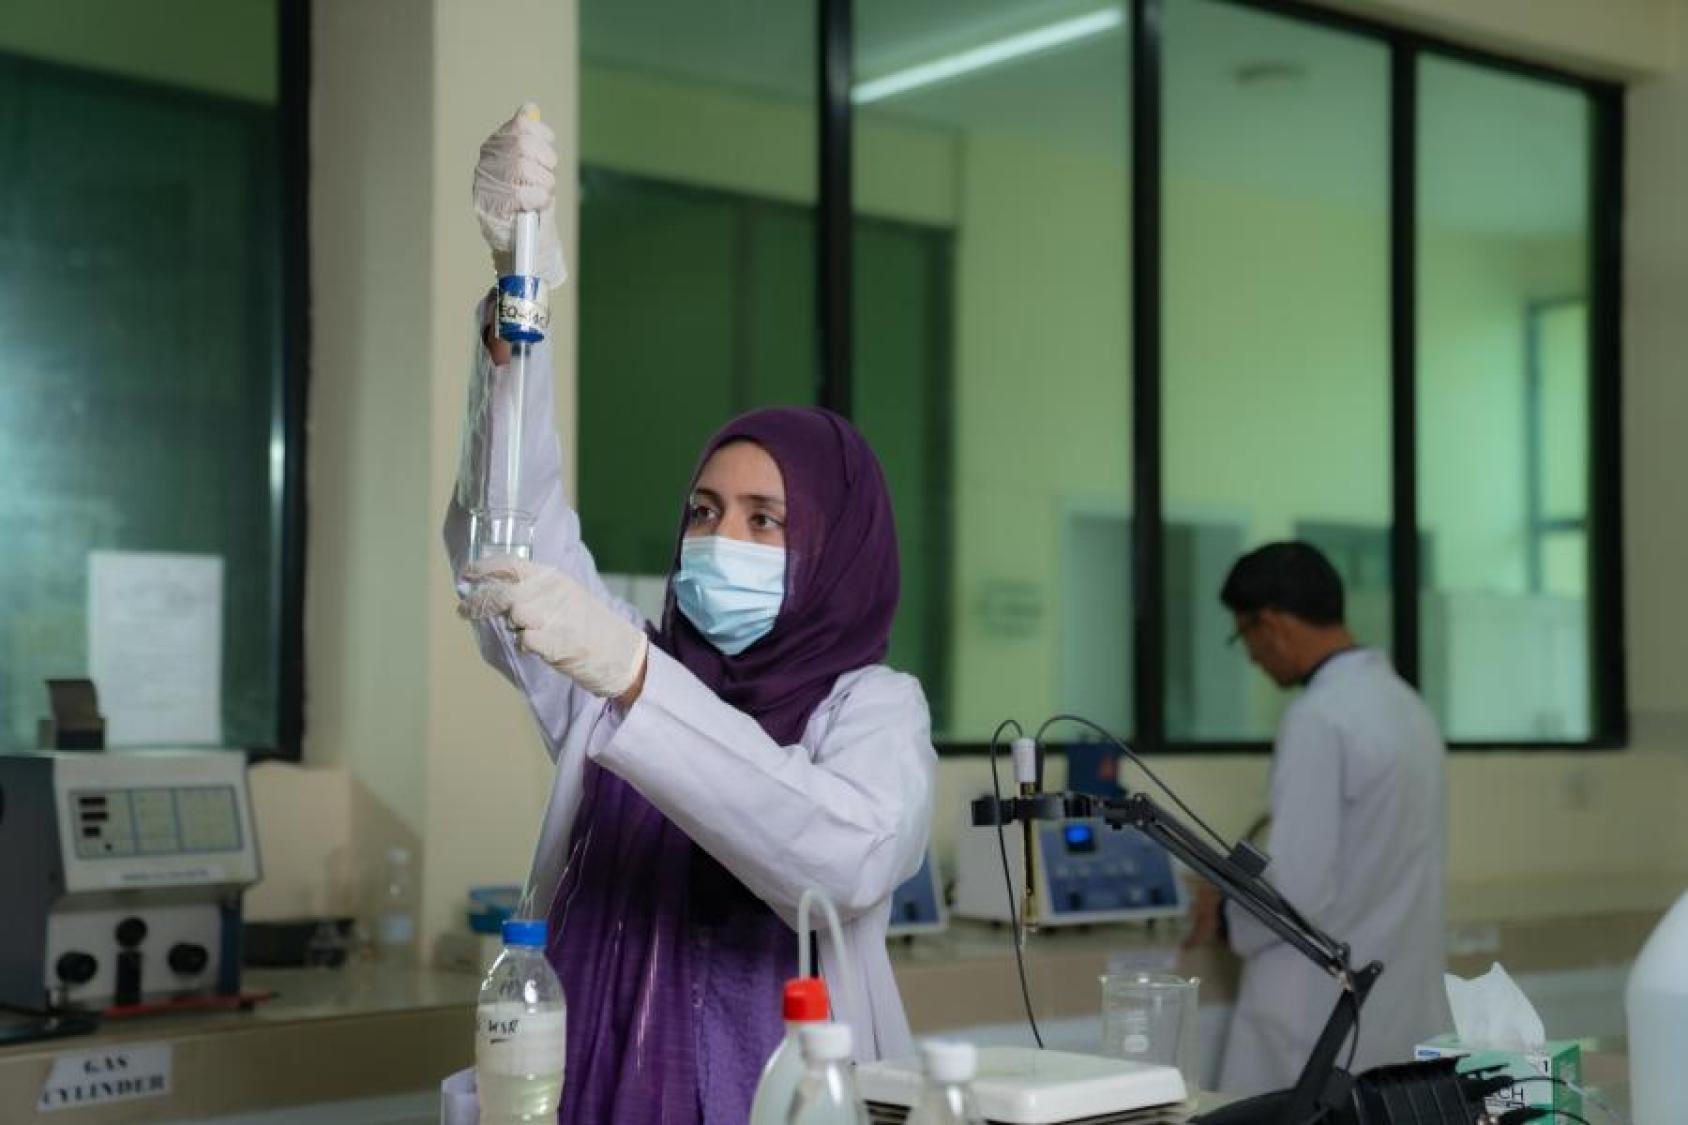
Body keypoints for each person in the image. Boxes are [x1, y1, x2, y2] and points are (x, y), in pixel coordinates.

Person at [441, 108, 936, 1125]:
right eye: (704, 512)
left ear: (837, 550)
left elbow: (839, 860)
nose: (721, 539)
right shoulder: (619, 672)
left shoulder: (873, 709)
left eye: (766, 519)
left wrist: (635, 677)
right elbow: (512, 537)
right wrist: (517, 307)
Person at [1188, 542, 1448, 1096]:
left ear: (1272, 624)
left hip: (1314, 1017)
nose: (1252, 658)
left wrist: (1227, 914)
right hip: (1396, 1011)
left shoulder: (1318, 719)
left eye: (1244, 637)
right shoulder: (1408, 707)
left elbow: (1297, 890)